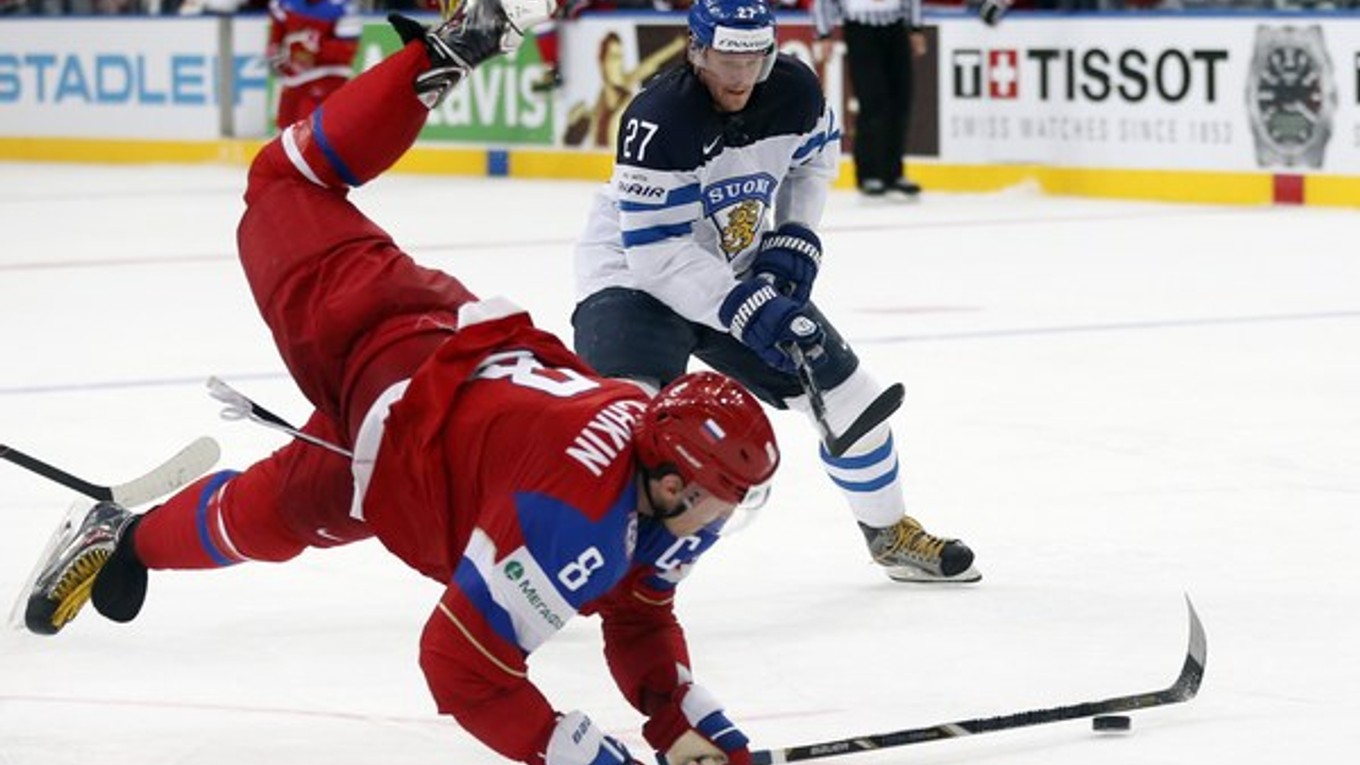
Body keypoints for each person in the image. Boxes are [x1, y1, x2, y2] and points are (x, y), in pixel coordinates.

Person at [22, 6, 782, 765]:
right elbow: (460, 666)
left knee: (271, 518)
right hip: (382, 339)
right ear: (676, 482)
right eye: (723, 495)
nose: (726, 513)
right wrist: (587, 756)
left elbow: (642, 619)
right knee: (285, 179)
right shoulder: (569, 518)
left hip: (408, 440)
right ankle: (439, 54)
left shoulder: (663, 471)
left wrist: (701, 732)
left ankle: (121, 537)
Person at [571, 0, 979, 583]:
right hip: (633, 279)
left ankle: (890, 535)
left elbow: (813, 161)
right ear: (696, 49)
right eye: (725, 60)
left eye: (754, 60)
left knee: (850, 398)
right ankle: (584, 555)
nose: (740, 78)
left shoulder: (795, 91)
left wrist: (793, 234)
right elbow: (657, 254)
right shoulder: (658, 118)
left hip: (732, 268)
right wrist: (746, 306)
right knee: (624, 419)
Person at [811, 0, 925, 197]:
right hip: (860, 28)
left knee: (900, 100)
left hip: (895, 27)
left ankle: (893, 173)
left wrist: (915, 27)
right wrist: (824, 33)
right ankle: (868, 174)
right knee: (872, 101)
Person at [266, 0, 362, 131]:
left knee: (311, 131)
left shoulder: (344, 8)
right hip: (295, 77)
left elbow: (347, 51)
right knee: (284, 131)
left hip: (327, 78)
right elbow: (278, 30)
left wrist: (320, 46)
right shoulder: (284, 3)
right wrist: (274, 49)